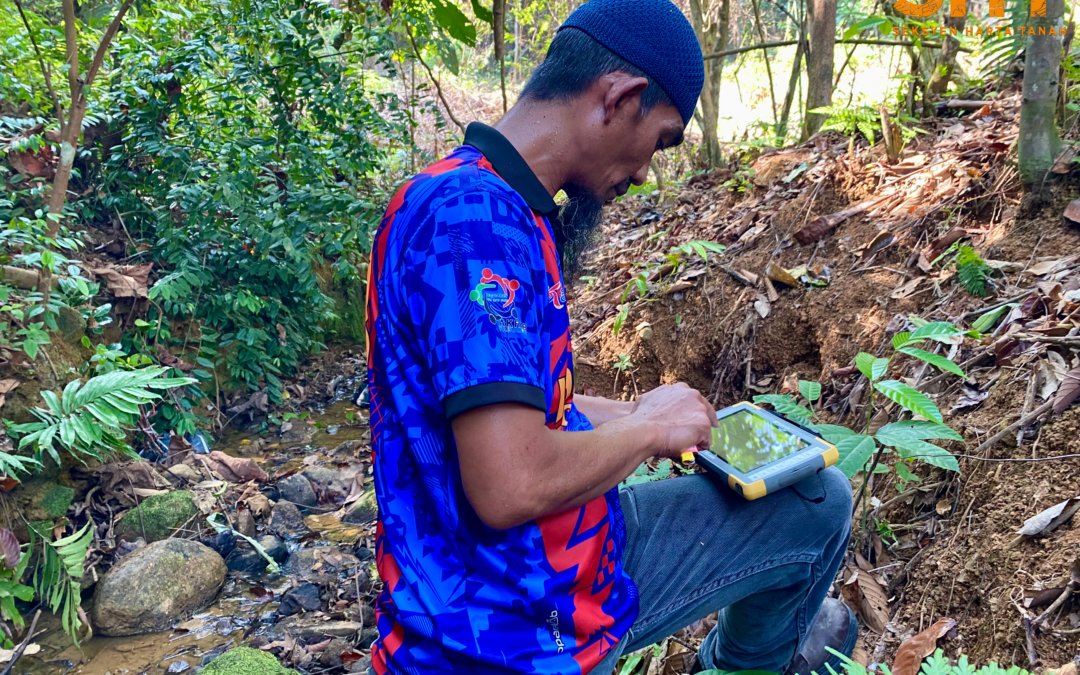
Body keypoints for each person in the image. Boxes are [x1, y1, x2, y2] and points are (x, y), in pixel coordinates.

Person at [363, 0, 856, 673]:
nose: (648, 171)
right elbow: (509, 482)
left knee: (812, 500)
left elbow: (494, 410)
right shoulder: (476, 223)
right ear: (620, 97)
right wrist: (648, 433)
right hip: (518, 626)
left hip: (541, 571)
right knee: (821, 509)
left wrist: (632, 411)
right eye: (661, 139)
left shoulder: (472, 198)